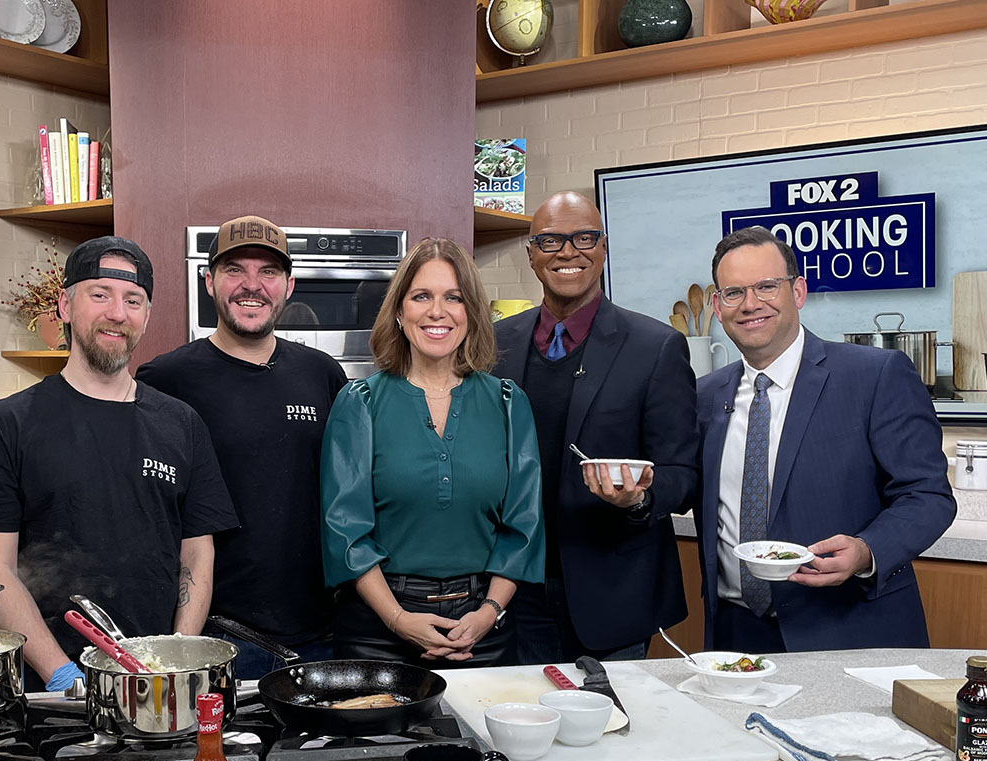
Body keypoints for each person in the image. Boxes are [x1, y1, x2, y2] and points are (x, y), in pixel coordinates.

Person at [0, 236, 238, 692]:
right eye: (99, 295)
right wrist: (62, 675)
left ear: (146, 315)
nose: (117, 313)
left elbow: (197, 553)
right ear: (64, 305)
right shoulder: (7, 425)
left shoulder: (182, 424)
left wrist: (178, 657)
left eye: (133, 300)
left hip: (160, 683)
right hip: (51, 687)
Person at [695, 225, 956, 652]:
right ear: (717, 305)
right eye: (734, 292)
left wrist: (867, 550)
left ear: (798, 291)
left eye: (766, 287)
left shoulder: (875, 375)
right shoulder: (705, 397)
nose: (750, 304)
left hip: (849, 630)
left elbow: (928, 495)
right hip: (735, 636)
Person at [137, 216, 348, 678]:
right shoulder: (165, 380)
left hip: (322, 634)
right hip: (216, 637)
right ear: (208, 281)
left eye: (268, 272)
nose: (251, 285)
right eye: (235, 270)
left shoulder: (322, 374)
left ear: (289, 286)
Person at [494, 190, 699, 664]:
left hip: (614, 596)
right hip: (512, 596)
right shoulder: (496, 344)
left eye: (584, 237)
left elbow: (683, 474)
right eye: (550, 241)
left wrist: (639, 496)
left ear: (604, 248)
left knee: (614, 732)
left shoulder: (656, 347)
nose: (569, 252)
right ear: (531, 255)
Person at [320, 237, 544, 666]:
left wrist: (488, 614)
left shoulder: (508, 403)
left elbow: (524, 527)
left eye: (453, 298)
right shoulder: (361, 401)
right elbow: (344, 530)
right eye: (421, 296)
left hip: (483, 633)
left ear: (471, 313)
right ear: (400, 312)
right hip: (378, 633)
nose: (437, 312)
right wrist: (399, 618)